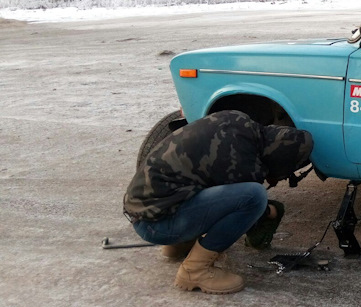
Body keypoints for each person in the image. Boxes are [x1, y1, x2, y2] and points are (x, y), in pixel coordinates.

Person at [124, 110, 314, 294]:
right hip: (157, 225)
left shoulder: (238, 122)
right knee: (254, 196)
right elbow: (242, 207)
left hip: (146, 212)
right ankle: (195, 270)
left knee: (209, 185)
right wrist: (268, 211)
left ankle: (178, 246)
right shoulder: (242, 162)